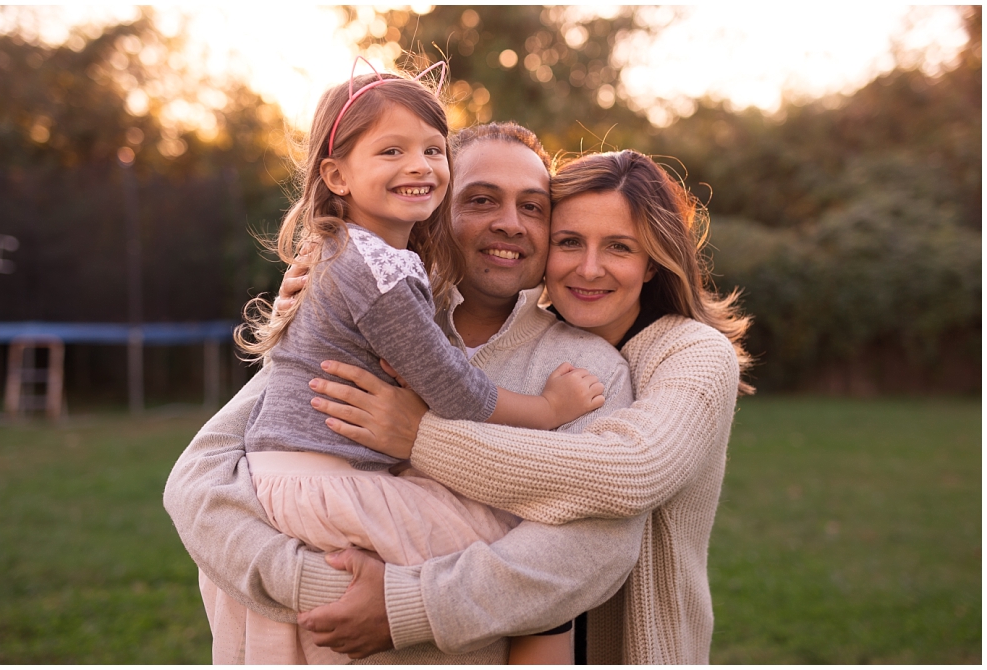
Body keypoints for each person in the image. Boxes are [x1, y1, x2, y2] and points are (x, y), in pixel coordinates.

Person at [197, 64, 611, 665]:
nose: (418, 165)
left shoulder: (353, 256)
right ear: (336, 175)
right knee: (506, 545)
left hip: (310, 481)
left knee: (525, 559)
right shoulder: (379, 272)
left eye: (431, 150)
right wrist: (550, 408)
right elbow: (455, 388)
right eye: (392, 150)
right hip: (325, 485)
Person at [292, 149, 754, 663]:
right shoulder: (476, 334)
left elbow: (633, 471)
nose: (590, 267)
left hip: (630, 650)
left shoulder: (694, 354)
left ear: (653, 264)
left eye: (620, 247)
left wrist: (419, 436)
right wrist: (328, 294)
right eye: (569, 242)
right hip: (506, 636)